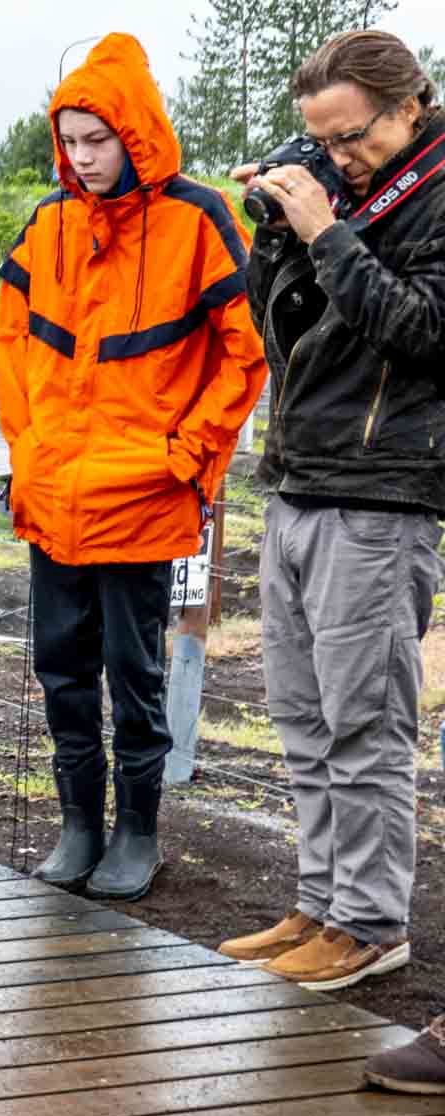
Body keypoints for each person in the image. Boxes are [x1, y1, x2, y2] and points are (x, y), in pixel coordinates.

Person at [0, 34, 266, 903]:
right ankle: (78, 824)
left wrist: (189, 458)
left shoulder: (198, 218)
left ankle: (136, 833)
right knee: (60, 667)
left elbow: (246, 355)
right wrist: (27, 453)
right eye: (69, 142)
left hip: (144, 498)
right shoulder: (48, 224)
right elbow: (10, 350)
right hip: (54, 496)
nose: (82, 158)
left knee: (133, 670)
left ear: (136, 132)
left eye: (97, 141)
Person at [218, 30, 445, 989]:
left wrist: (327, 231)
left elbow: (424, 329)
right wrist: (277, 225)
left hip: (383, 492)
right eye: (323, 140)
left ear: (410, 107)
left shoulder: (433, 196)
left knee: (366, 723)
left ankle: (371, 921)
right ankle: (321, 901)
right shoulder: (340, 197)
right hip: (301, 477)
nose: (339, 158)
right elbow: (285, 326)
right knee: (304, 717)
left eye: (351, 138)